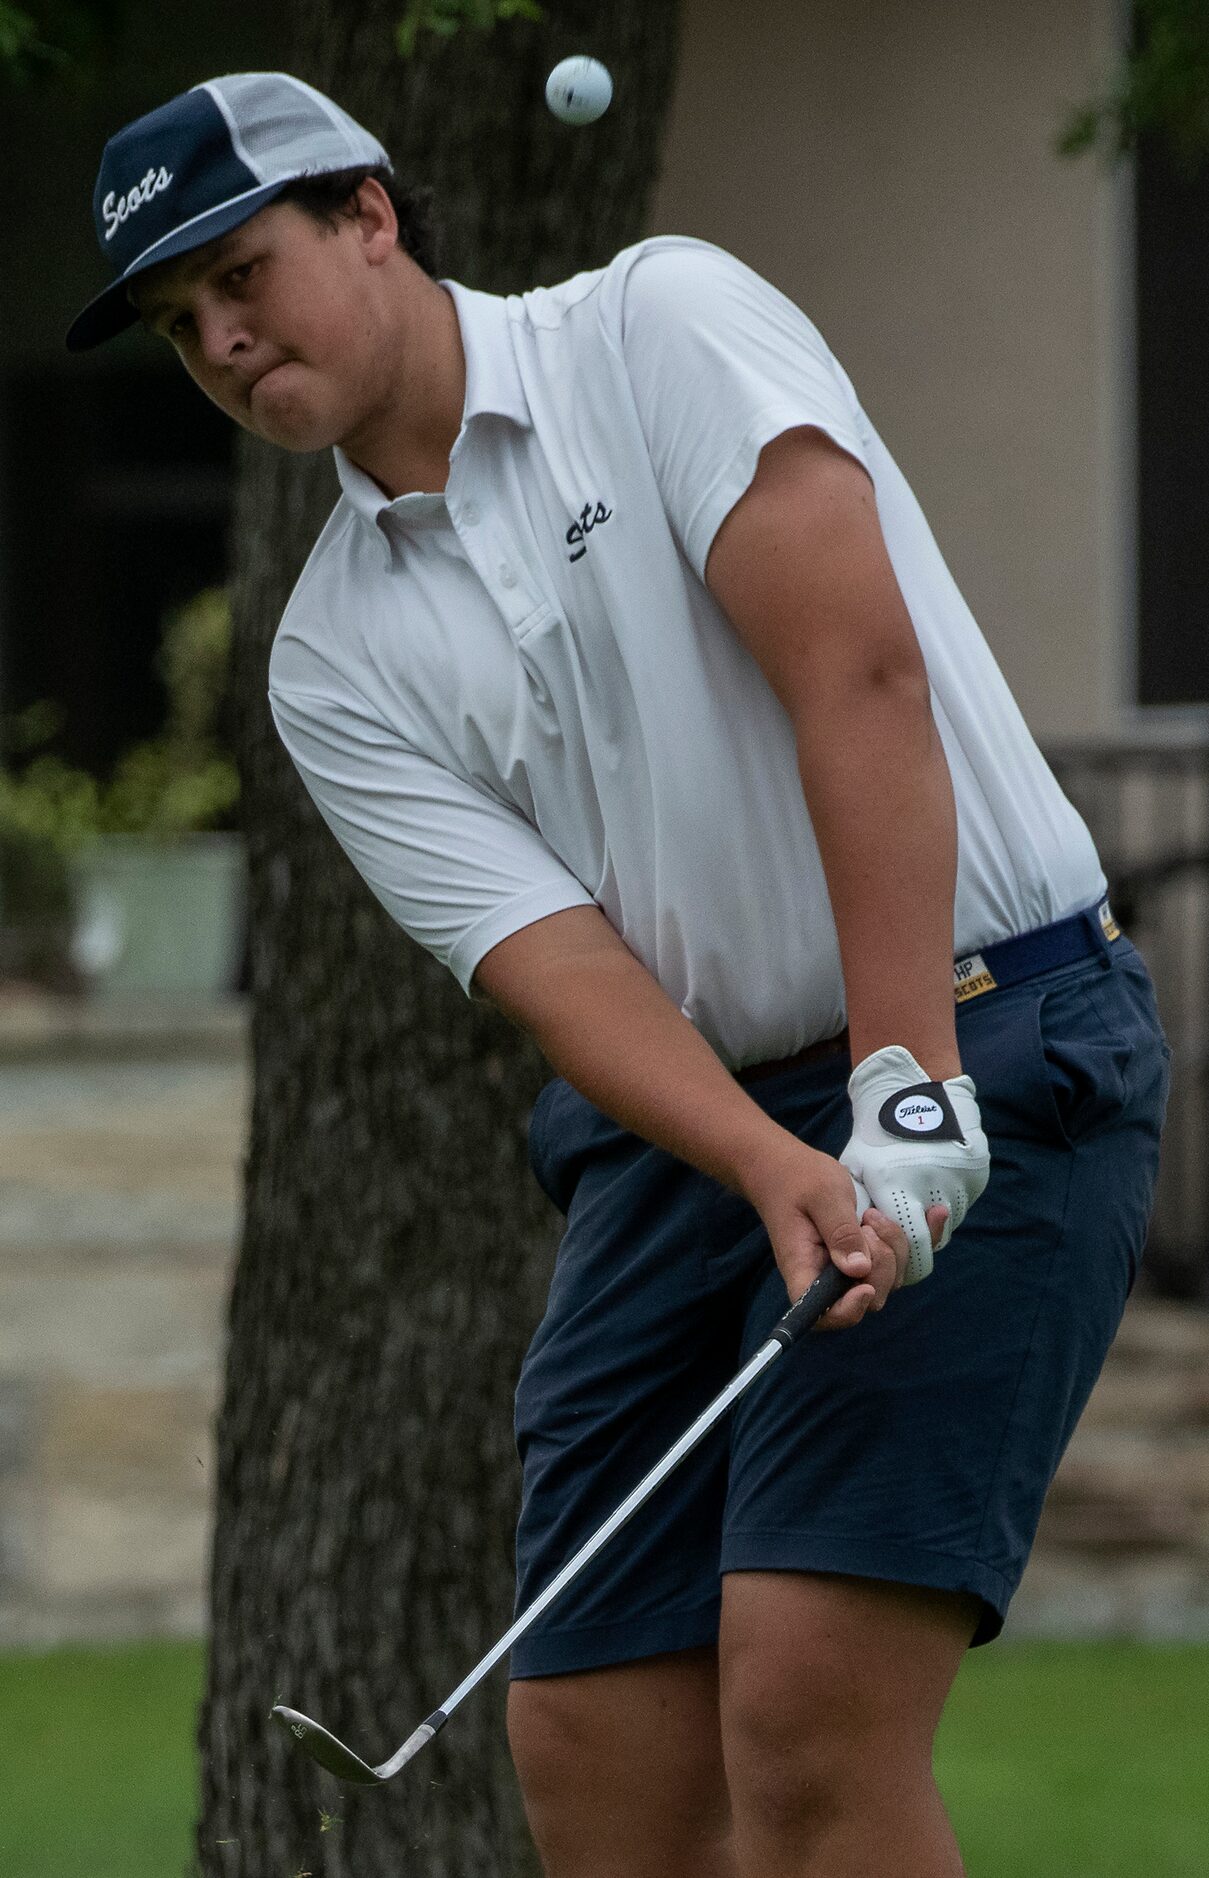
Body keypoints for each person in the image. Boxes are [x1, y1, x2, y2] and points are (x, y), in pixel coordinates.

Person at [70, 71, 1169, 1878]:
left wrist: (903, 1083)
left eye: (240, 270)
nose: (224, 339)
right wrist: (761, 1159)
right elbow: (550, 959)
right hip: (692, 1132)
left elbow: (856, 674)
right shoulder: (330, 657)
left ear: (369, 211)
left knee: (803, 1723)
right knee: (596, 1755)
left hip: (982, 1024)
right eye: (183, 326)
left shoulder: (656, 324)